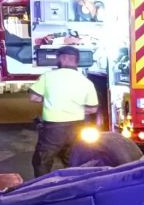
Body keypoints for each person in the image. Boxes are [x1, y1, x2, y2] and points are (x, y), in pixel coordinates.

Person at [29, 46, 100, 176]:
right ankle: (73, 186)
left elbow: (34, 97)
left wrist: (50, 100)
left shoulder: (48, 76)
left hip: (53, 128)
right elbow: (93, 108)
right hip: (77, 126)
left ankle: (43, 188)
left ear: (63, 58)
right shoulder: (86, 82)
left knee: (42, 160)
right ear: (76, 61)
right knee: (72, 159)